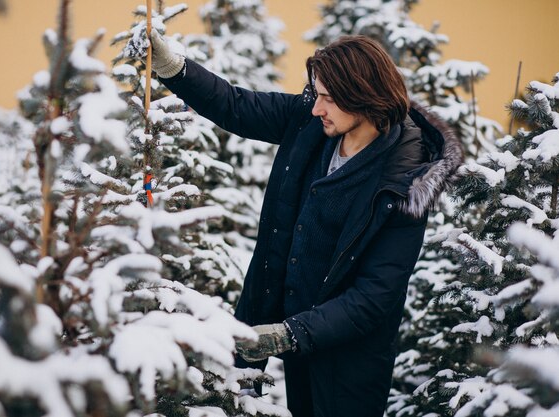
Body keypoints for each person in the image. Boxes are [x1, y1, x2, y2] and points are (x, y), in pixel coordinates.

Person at [149, 30, 463, 417]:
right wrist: (174, 70)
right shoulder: (310, 122)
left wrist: (292, 334)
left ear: (364, 97)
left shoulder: (403, 184)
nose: (317, 108)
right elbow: (236, 105)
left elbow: (373, 297)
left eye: (329, 99)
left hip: (349, 364)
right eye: (317, 95)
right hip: (297, 342)